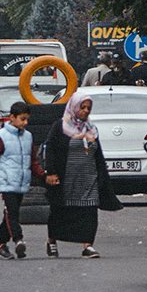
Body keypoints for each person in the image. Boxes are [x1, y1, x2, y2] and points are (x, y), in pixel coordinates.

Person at [43, 91, 120, 258]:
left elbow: (97, 153)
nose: (85, 111)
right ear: (74, 107)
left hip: (88, 178)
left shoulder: (91, 129)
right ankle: (52, 240)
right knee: (60, 211)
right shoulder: (60, 127)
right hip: (67, 178)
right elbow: (51, 149)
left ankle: (87, 245)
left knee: (89, 210)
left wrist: (102, 177)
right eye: (82, 107)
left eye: (88, 108)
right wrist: (51, 172)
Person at [0, 101, 45, 260]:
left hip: (21, 182)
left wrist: (43, 175)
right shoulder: (1, 137)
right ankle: (18, 240)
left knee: (9, 213)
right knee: (12, 212)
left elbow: (33, 160)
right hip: (5, 182)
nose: (25, 123)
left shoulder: (28, 136)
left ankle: (0, 244)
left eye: (27, 119)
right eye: (22, 119)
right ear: (12, 118)